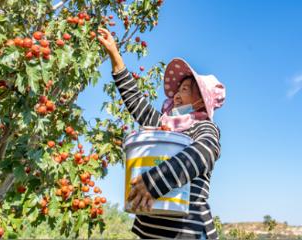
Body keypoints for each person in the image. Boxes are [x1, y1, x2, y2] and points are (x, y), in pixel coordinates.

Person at [97, 27, 226, 239]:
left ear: (200, 101)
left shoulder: (204, 128)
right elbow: (137, 103)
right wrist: (116, 57)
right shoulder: (164, 125)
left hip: (188, 232)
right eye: (177, 90)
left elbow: (204, 153)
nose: (176, 94)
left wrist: (154, 181)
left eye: (184, 89)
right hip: (150, 231)